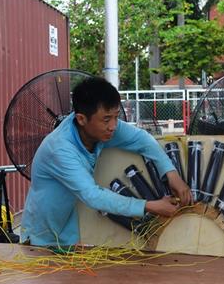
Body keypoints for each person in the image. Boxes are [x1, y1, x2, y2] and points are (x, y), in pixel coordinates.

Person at [21, 77, 192, 247]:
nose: (113, 126)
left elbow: (143, 139)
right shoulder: (60, 149)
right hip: (39, 238)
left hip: (67, 232)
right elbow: (93, 196)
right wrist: (149, 206)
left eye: (116, 117)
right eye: (106, 119)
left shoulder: (100, 130)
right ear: (81, 119)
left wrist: (171, 173)